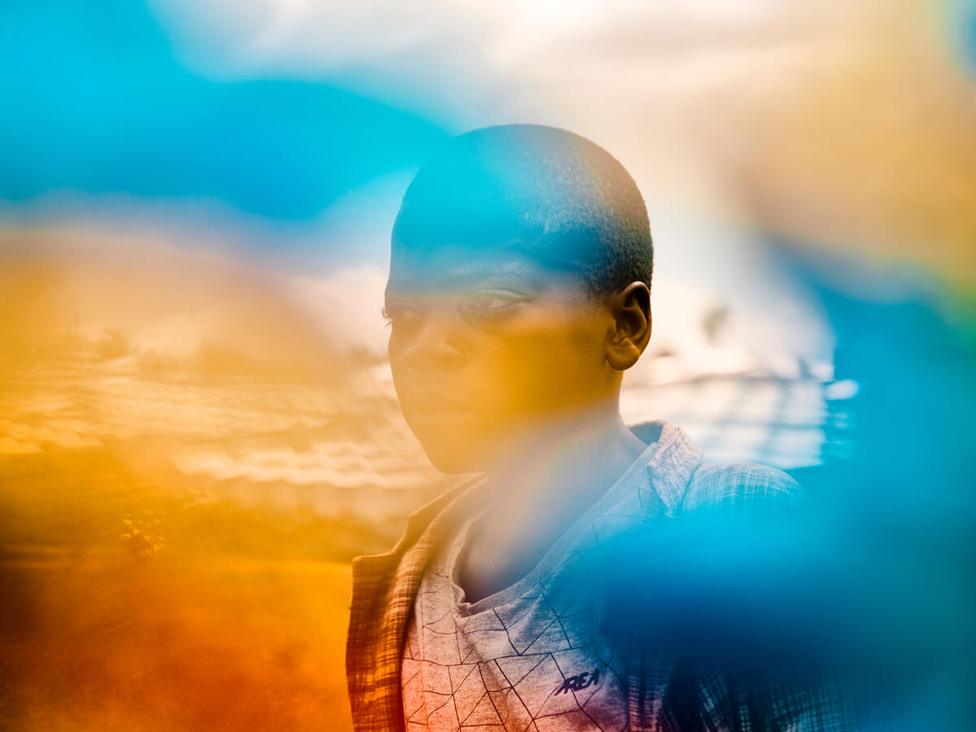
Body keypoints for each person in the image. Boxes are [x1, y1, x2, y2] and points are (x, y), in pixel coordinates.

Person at [345, 124, 860, 731]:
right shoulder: (407, 583)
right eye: (402, 315)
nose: (425, 350)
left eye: (491, 303)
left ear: (625, 327)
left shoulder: (737, 524)